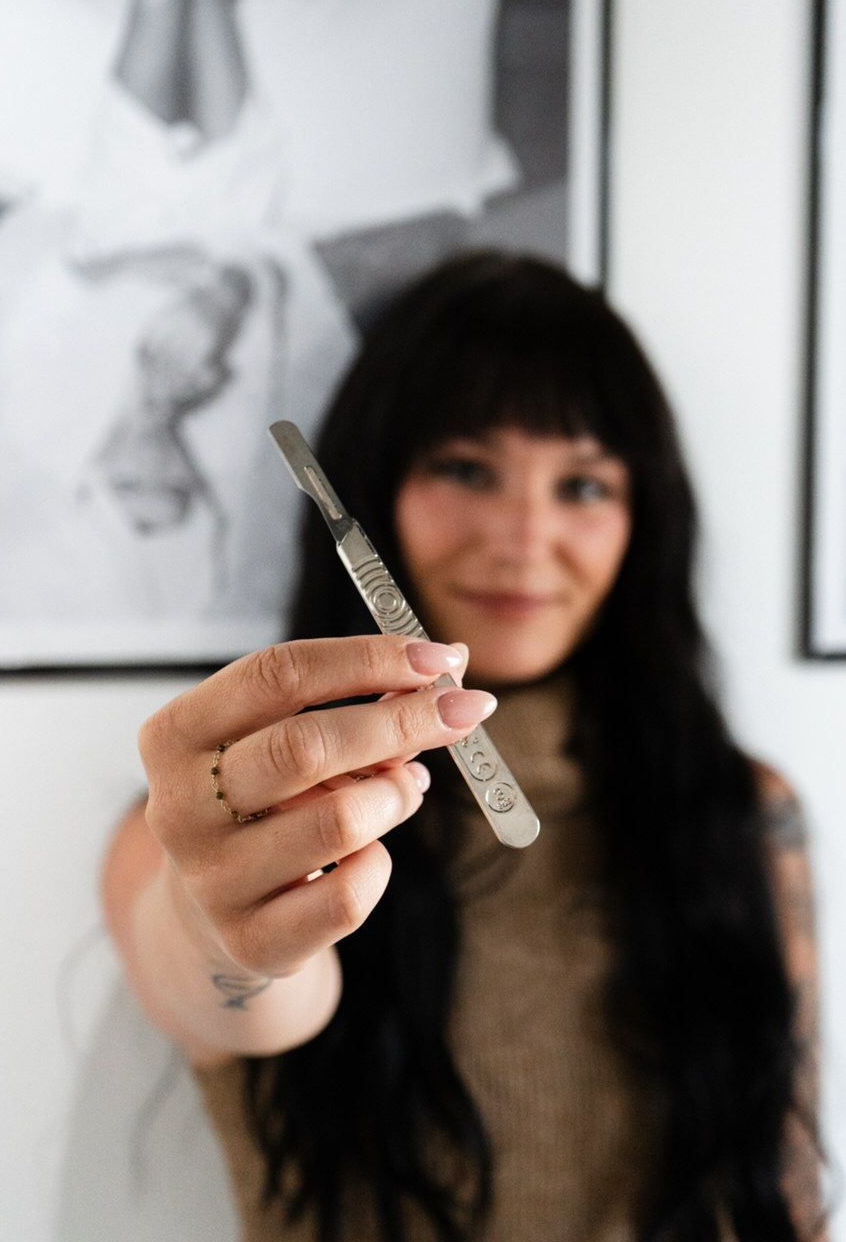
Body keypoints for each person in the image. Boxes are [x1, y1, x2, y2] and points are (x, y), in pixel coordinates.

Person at [101, 250, 829, 1242]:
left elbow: (778, 1178)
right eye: (465, 468)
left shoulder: (739, 806)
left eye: (580, 484)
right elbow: (222, 988)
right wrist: (220, 918)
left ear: (641, 519)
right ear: (371, 489)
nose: (524, 537)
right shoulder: (217, 816)